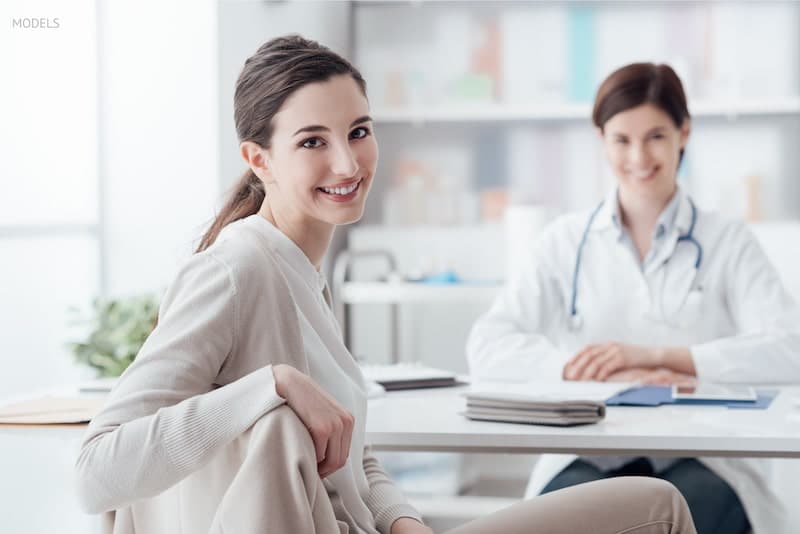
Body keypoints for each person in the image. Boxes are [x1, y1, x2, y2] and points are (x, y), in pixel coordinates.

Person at [74, 38, 696, 534]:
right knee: (659, 512)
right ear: (258, 160)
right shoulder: (237, 270)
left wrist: (404, 520)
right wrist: (271, 385)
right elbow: (97, 471)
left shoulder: (302, 273)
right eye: (313, 142)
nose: (348, 164)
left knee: (656, 501)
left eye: (360, 131)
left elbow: (353, 459)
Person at [467, 62, 800, 534]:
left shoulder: (727, 240)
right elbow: (487, 345)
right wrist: (582, 367)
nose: (639, 156)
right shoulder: (565, 241)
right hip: (591, 449)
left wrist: (666, 358)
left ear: (684, 133)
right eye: (622, 139)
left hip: (702, 457)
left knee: (681, 506)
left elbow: (791, 347)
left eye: (656, 136)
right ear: (601, 139)